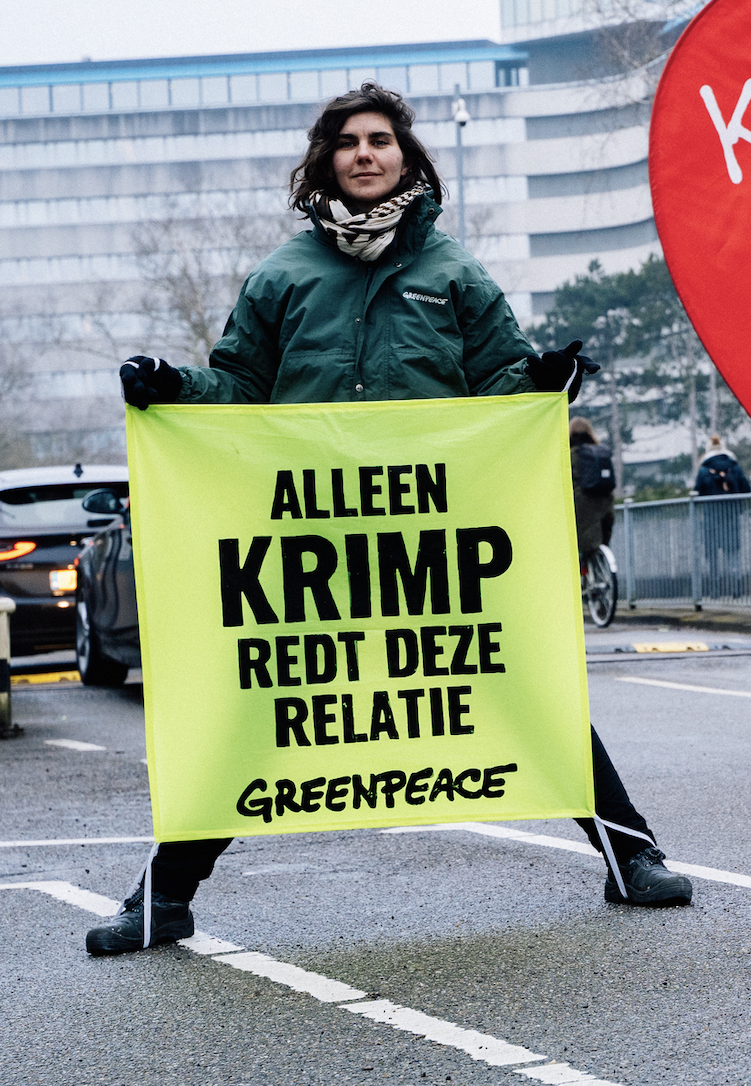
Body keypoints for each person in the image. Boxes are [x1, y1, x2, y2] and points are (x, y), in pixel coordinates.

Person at [90, 83, 694, 956]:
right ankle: (163, 898)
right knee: (256, 709)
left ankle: (631, 857)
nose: (366, 154)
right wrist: (174, 386)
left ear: (408, 159)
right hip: (314, 543)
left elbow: (498, 391)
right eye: (349, 143)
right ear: (325, 160)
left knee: (523, 688)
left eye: (381, 141)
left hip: (432, 541)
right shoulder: (282, 277)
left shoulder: (452, 275)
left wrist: (542, 380)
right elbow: (239, 390)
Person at [570, 416, 617, 556]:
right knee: (603, 533)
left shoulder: (572, 454)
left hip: (582, 501)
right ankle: (603, 557)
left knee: (580, 541)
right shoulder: (601, 452)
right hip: (605, 499)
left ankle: (582, 569)